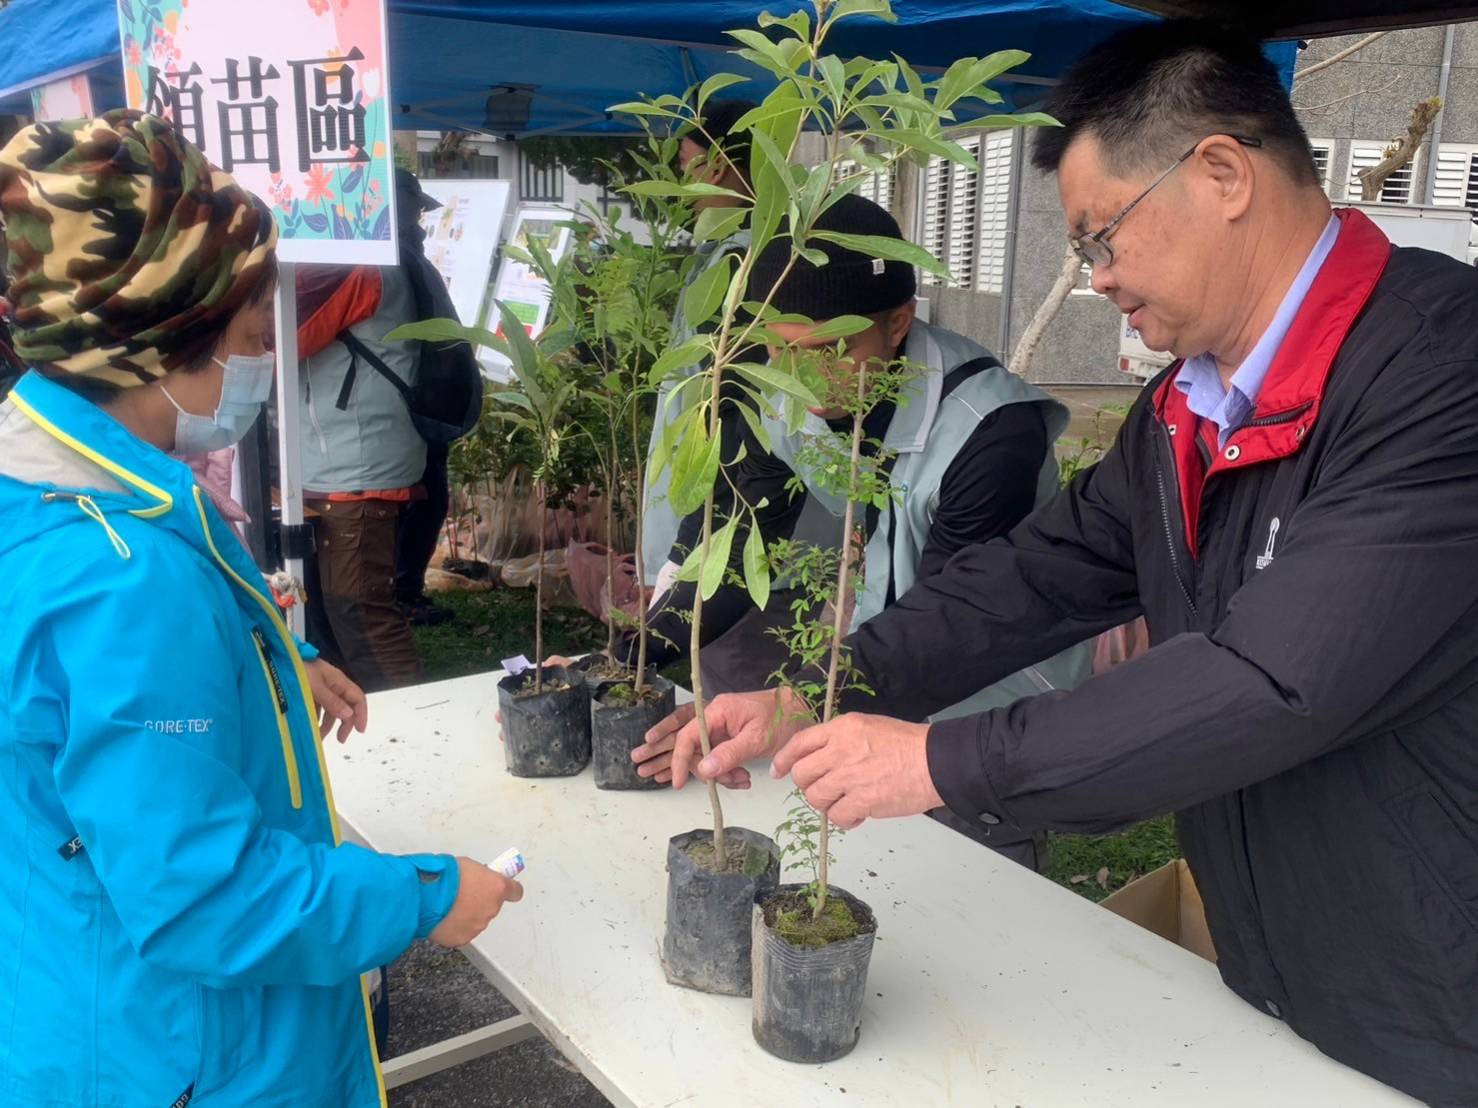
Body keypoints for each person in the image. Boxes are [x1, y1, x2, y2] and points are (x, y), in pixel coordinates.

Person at [640, 23, 1478, 1104]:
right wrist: (823, 686)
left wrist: (945, 762)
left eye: (1101, 237)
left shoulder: (1438, 372)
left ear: (1222, 174)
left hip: (1435, 995)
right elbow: (1037, 574)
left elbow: (1273, 679)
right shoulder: (1185, 404)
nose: (1099, 279)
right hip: (1278, 959)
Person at [0, 112, 521, 1108]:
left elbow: (76, 719)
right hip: (192, 1060)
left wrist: (269, 660)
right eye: (248, 340)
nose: (260, 365)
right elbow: (206, 895)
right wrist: (424, 895)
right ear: (160, 345)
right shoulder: (122, 577)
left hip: (76, 1001)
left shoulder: (46, 492)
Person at [628, 194, 1093, 868]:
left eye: (830, 350)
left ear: (898, 322)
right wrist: (632, 658)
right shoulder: (784, 390)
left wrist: (800, 700)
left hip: (988, 676)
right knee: (866, 866)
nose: (803, 378)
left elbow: (952, 625)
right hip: (887, 650)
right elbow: (736, 535)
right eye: (780, 350)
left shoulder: (990, 432)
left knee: (970, 866)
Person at [295, 168, 445, 690]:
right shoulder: (394, 259)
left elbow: (287, 335)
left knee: (360, 611)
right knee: (333, 612)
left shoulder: (362, 266)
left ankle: (415, 721)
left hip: (356, 461)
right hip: (345, 455)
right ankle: (366, 716)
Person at [641, 98, 758, 592]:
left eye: (687, 164)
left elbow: (725, 408)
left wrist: (683, 547)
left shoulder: (743, 263)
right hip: (702, 497)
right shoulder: (720, 253)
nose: (681, 184)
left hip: (715, 509)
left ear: (722, 164)